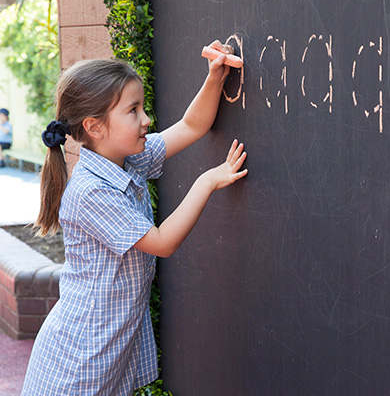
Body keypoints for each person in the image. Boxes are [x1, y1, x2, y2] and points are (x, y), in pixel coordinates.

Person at [21, 41, 248, 395]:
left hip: (106, 346)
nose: (146, 119)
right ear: (94, 127)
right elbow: (161, 242)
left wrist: (215, 77)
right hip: (80, 360)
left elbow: (191, 126)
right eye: (133, 110)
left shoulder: (126, 160)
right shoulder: (90, 191)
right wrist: (207, 180)